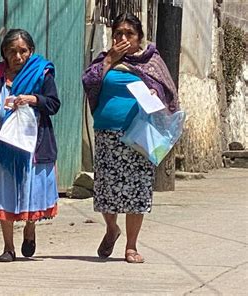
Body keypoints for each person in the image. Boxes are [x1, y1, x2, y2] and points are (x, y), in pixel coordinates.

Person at [81, 13, 179, 263]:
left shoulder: (151, 62)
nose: (122, 38)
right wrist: (109, 61)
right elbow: (89, 82)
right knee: (106, 190)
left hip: (138, 136)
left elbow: (167, 92)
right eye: (118, 34)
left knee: (137, 191)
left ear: (139, 38)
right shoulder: (105, 61)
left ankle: (131, 246)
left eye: (129, 34)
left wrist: (153, 92)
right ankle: (111, 229)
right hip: (107, 133)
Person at [0, 29, 60, 262]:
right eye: (12, 52)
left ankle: (30, 229)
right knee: (4, 195)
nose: (18, 56)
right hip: (1, 148)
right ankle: (8, 247)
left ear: (31, 51)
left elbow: (54, 104)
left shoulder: (42, 73)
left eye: (23, 51)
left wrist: (33, 99)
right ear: (4, 54)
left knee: (30, 193)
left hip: (32, 149)